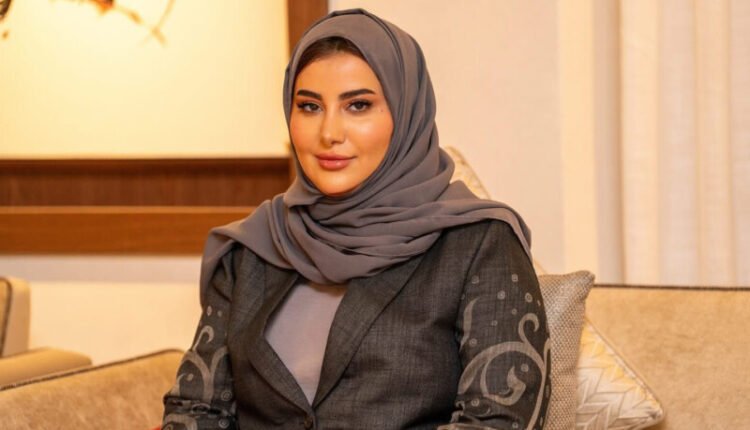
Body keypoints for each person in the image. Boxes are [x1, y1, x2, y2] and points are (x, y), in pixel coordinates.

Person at [162, 8, 550, 430]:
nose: (329, 133)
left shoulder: (479, 244)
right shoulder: (253, 250)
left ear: (405, 113)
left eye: (358, 105)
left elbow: (496, 420)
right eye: (309, 106)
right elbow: (196, 410)